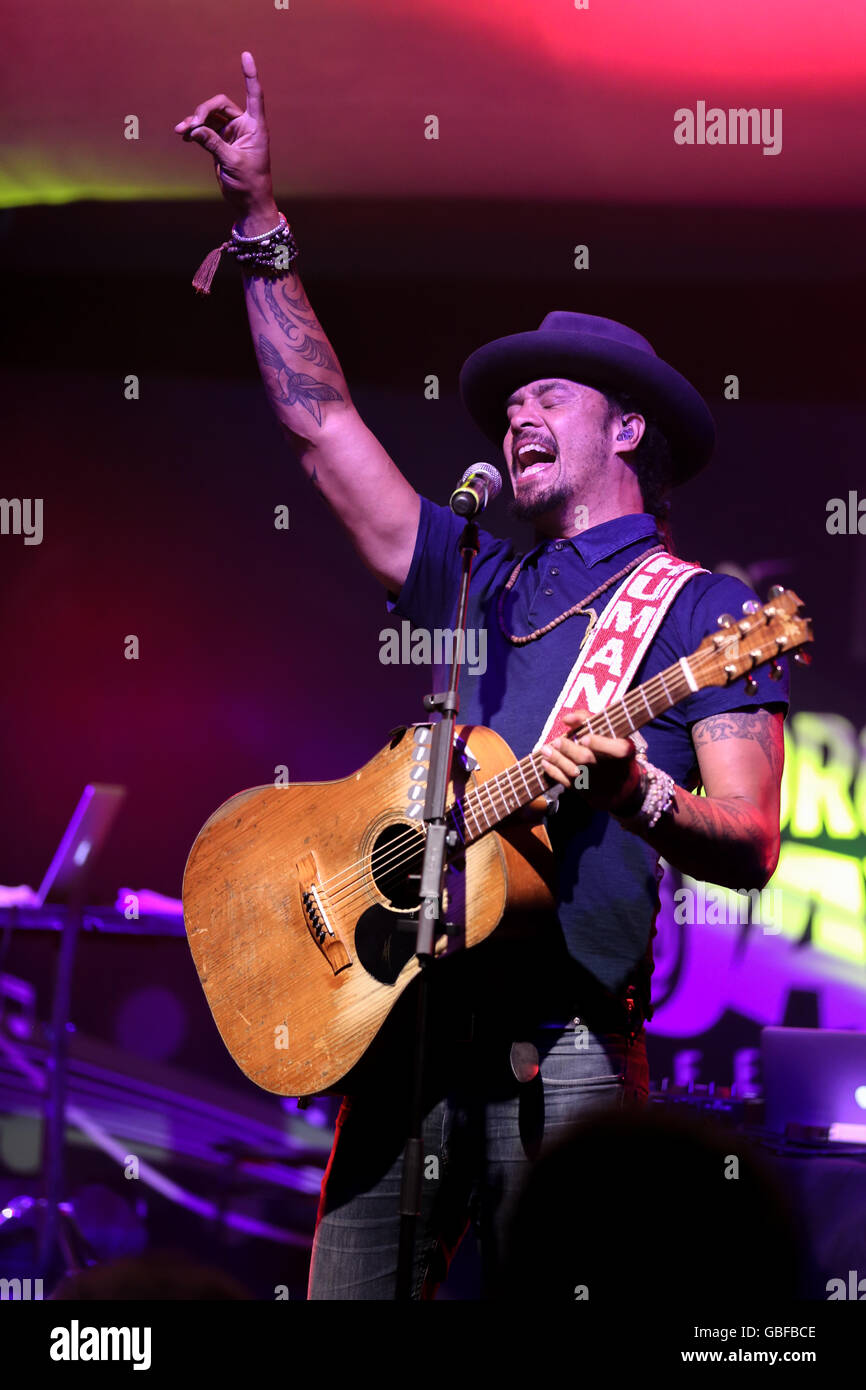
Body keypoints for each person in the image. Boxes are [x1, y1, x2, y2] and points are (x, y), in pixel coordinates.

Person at [175, 53, 789, 1300]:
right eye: (506, 400)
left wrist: (639, 798)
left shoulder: (706, 612)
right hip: (404, 1028)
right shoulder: (479, 572)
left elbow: (754, 836)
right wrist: (257, 223)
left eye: (544, 394)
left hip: (559, 1046)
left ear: (625, 427)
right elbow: (321, 427)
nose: (512, 411)